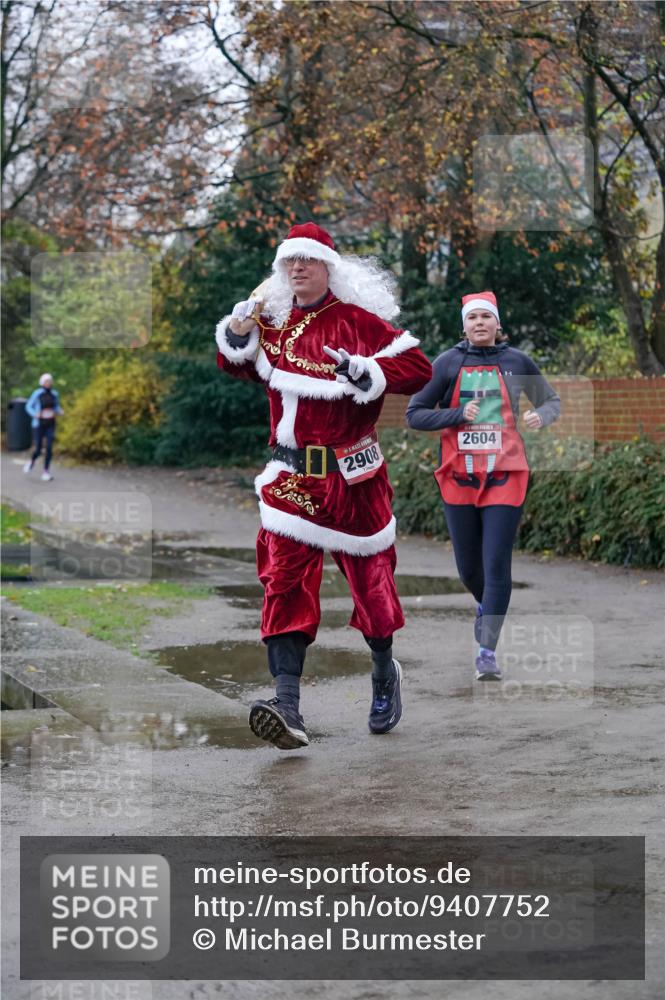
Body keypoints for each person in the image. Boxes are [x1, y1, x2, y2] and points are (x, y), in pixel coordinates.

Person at [215, 222, 432, 749]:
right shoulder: (274, 322)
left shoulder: (358, 322)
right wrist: (240, 333)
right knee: (283, 584)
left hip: (352, 480)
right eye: (289, 262)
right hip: (290, 478)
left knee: (374, 592)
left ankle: (384, 670)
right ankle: (286, 705)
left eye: (307, 261)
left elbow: (418, 367)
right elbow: (235, 365)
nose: (297, 270)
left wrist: (367, 372)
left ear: (328, 267)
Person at [406, 291, 560, 681]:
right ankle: (485, 605)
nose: (479, 323)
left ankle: (487, 651)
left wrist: (540, 414)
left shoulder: (517, 361)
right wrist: (458, 414)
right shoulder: (447, 363)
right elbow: (415, 414)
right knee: (470, 570)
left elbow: (552, 401)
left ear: (497, 324)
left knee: (496, 565)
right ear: (464, 324)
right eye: (472, 317)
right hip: (458, 476)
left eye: (485, 317)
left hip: (505, 475)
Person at [23, 373, 64, 482]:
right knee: (38, 449)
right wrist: (35, 414)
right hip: (38, 424)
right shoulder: (37, 393)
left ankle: (46, 472)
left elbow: (56, 406)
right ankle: (31, 462)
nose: (49, 383)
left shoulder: (55, 394)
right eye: (46, 381)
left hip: (50, 423)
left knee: (49, 448)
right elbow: (28, 406)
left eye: (50, 381)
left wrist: (59, 411)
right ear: (42, 382)